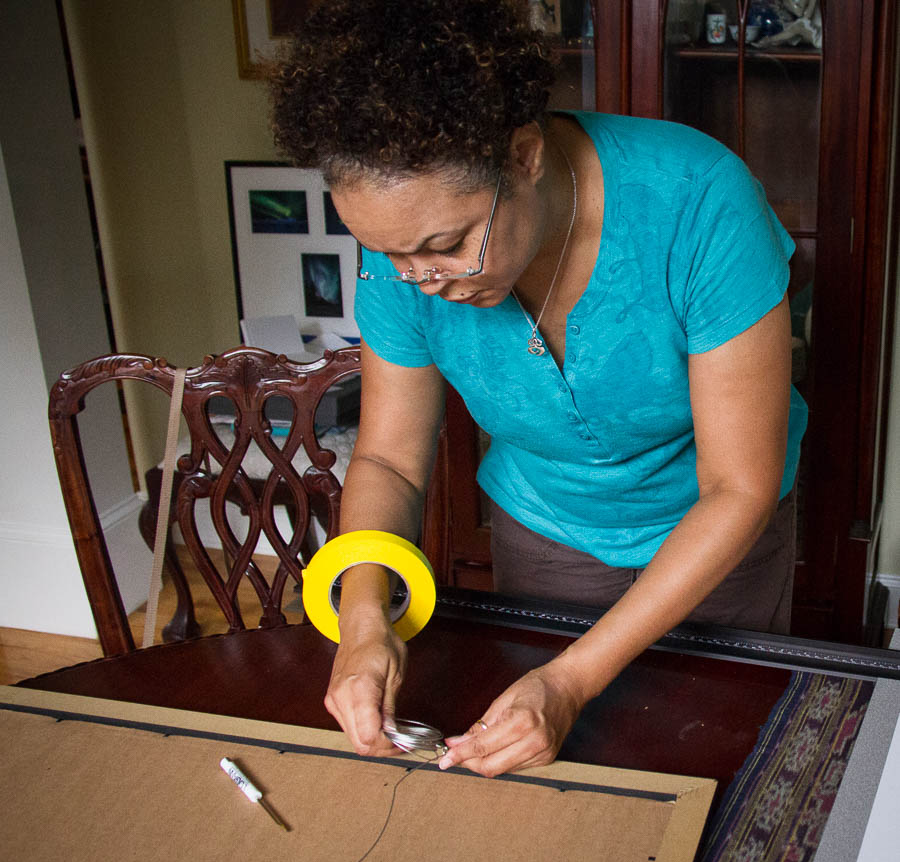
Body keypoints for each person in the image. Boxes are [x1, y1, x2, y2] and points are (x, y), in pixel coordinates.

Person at [268, 0, 807, 778]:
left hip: (713, 542)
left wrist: (570, 680)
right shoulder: (400, 263)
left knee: (709, 756)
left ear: (523, 155)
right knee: (547, 774)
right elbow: (388, 460)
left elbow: (738, 486)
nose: (420, 281)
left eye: (445, 246)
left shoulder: (698, 198)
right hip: (546, 534)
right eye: (388, 255)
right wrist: (361, 617)